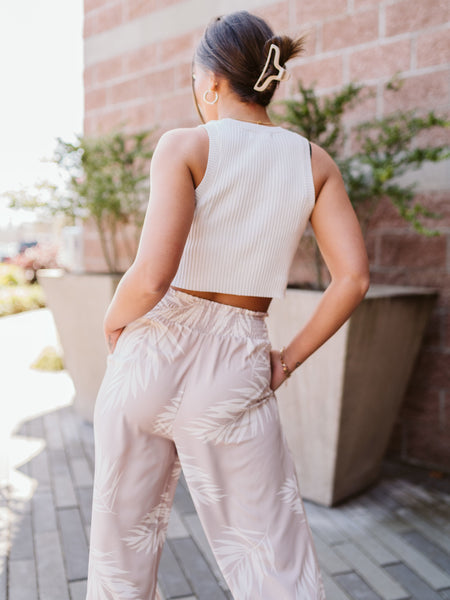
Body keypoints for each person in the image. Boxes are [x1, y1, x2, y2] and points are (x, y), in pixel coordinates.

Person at [85, 9, 370, 600]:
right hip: (236, 365)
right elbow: (354, 279)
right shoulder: (313, 163)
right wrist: (285, 361)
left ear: (212, 81)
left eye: (194, 79)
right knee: (273, 563)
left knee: (120, 561)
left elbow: (152, 276)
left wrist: (114, 325)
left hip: (150, 353)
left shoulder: (185, 145)